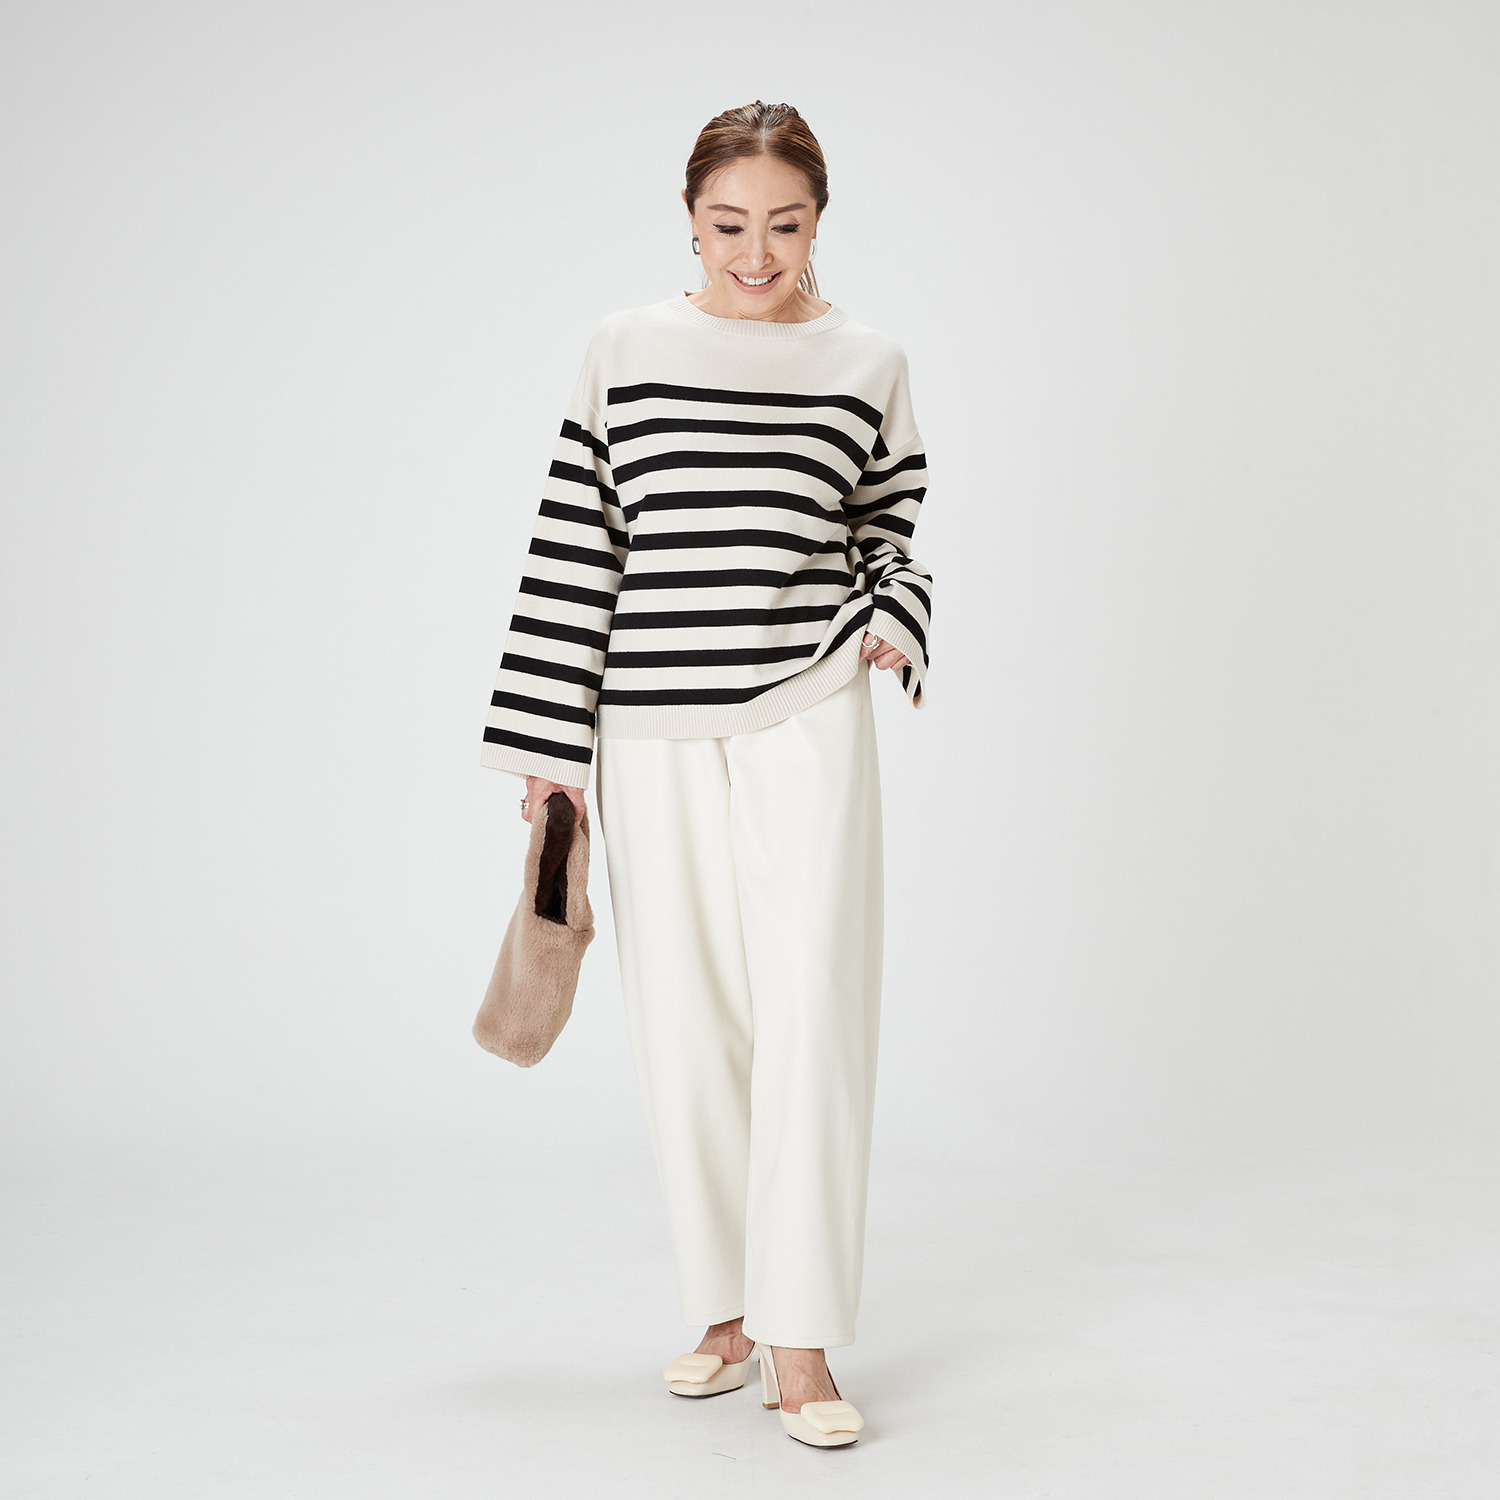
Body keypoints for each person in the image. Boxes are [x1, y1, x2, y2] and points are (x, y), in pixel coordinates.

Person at [479, 100, 933, 1448]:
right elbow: (577, 544)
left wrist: (896, 617)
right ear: (690, 220)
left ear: (820, 221)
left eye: (784, 225)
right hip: (647, 723)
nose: (756, 252)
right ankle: (727, 1311)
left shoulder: (868, 362)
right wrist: (550, 753)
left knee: (814, 1011)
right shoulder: (626, 350)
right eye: (730, 224)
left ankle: (802, 1338)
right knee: (684, 1026)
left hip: (807, 707)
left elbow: (889, 528)